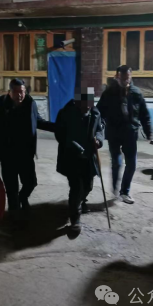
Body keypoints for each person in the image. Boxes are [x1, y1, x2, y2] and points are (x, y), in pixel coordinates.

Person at [0, 78, 55, 212]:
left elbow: (38, 121)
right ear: (9, 92)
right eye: (16, 92)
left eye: (22, 91)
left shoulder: (30, 104)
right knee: (11, 188)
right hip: (7, 154)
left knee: (31, 182)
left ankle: (22, 197)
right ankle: (14, 215)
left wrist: (58, 127)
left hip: (26, 153)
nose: (20, 95)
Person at [97, 65, 152, 204]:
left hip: (130, 133)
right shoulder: (109, 93)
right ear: (117, 77)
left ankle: (124, 192)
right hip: (114, 133)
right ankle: (115, 188)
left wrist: (149, 131)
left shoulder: (136, 93)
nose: (125, 81)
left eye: (127, 78)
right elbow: (99, 112)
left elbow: (144, 114)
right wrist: (96, 128)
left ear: (130, 77)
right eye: (122, 78)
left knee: (131, 164)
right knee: (117, 162)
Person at [55, 87, 104, 236]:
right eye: (85, 102)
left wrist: (99, 140)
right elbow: (60, 134)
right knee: (76, 188)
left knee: (88, 186)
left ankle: (78, 203)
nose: (88, 105)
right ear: (77, 101)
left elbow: (100, 129)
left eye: (90, 102)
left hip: (88, 158)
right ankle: (75, 218)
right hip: (72, 157)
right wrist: (74, 146)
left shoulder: (95, 113)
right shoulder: (66, 113)